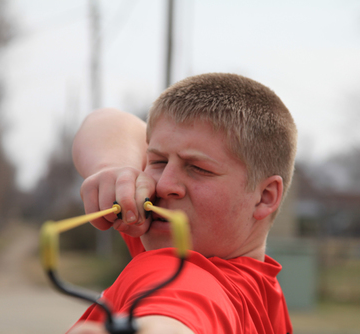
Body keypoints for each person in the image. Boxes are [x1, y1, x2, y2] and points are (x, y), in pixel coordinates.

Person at [69, 73, 297, 334]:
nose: (165, 185)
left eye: (198, 168)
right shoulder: (258, 291)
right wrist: (118, 171)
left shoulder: (176, 270)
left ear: (265, 196)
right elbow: (105, 121)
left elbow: (178, 312)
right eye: (158, 161)